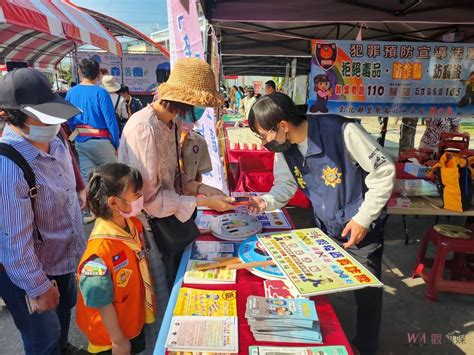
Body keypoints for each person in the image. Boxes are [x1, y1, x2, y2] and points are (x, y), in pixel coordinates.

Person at [247, 93, 395, 355]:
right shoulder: (285, 149)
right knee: (324, 285)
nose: (263, 143)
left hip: (360, 227)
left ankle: (366, 346)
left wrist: (363, 218)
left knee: (368, 294)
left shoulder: (342, 131)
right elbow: (285, 185)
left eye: (263, 135)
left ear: (282, 125)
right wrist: (266, 201)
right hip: (325, 227)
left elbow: (383, 171)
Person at [118, 57, 235, 346]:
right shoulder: (144, 128)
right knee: (161, 295)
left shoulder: (168, 123)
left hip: (167, 217)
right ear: (182, 103)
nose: (199, 115)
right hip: (148, 226)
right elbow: (150, 198)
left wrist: (204, 190)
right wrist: (198, 203)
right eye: (197, 108)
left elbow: (175, 177)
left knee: (173, 283)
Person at [0, 68, 86, 355]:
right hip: (30, 273)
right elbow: (14, 243)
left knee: (61, 320)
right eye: (43, 115)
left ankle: (63, 347)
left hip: (62, 259)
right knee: (42, 338)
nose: (55, 122)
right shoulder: (8, 166)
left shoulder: (55, 141)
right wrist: (38, 287)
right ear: (14, 115)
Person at [76, 163, 155, 355]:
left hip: (132, 320)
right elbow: (100, 301)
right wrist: (118, 341)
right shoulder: (98, 255)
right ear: (114, 203)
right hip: (110, 338)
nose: (140, 199)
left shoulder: (133, 224)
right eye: (136, 196)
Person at [66, 58, 120, 223]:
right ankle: (115, 211)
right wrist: (116, 144)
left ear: (79, 72)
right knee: (114, 176)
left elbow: (68, 119)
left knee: (87, 178)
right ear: (98, 75)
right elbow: (111, 121)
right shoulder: (100, 93)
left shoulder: (71, 93)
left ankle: (89, 212)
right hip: (102, 141)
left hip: (81, 141)